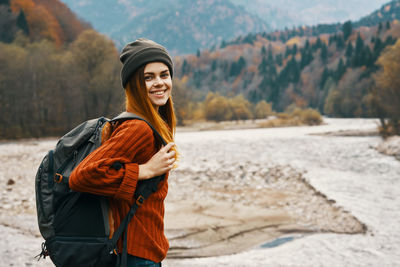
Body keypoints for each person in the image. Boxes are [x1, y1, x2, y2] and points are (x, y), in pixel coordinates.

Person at [69, 38, 178, 267]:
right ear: (133, 85)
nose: (159, 83)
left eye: (164, 74)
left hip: (139, 251)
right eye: (148, 77)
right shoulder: (138, 128)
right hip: (136, 255)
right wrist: (143, 170)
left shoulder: (152, 123)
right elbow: (82, 176)